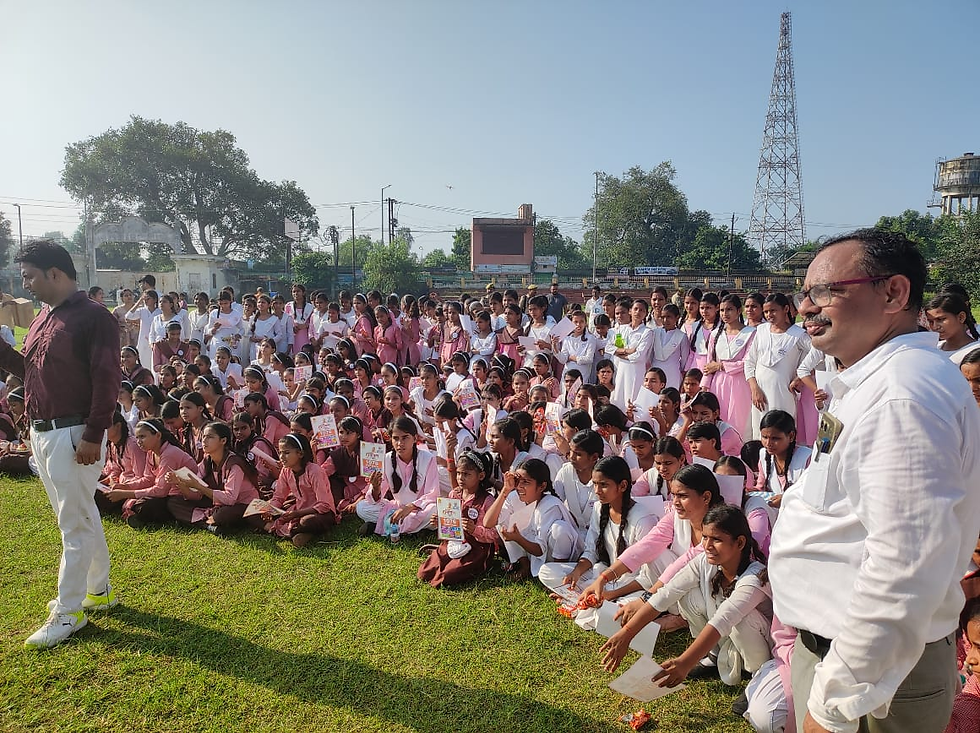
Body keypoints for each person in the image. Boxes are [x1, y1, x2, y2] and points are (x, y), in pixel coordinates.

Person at [769, 229, 980, 732]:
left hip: (872, 680)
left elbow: (905, 566)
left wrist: (833, 702)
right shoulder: (873, 380)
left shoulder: (902, 394)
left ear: (894, 293)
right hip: (845, 659)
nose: (806, 307)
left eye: (826, 291)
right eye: (805, 293)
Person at [0, 241, 122, 649]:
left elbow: (107, 380)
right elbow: (29, 371)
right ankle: (98, 592)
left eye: (30, 276)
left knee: (73, 524)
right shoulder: (42, 318)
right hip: (44, 432)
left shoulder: (94, 317)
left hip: (74, 434)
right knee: (81, 514)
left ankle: (68, 612)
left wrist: (93, 434)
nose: (25, 285)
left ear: (55, 273)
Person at [417, 449, 498, 588]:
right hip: (454, 541)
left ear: (481, 476)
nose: (460, 478)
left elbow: (494, 535)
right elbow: (449, 526)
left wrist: (475, 530)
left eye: (466, 474)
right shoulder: (454, 494)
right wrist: (440, 522)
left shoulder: (487, 501)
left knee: (446, 576)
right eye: (459, 473)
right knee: (424, 572)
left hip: (477, 548)